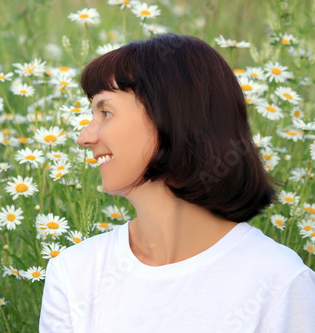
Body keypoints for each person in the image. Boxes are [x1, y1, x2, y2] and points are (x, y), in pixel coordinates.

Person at [39, 34, 315, 333]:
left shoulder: (280, 282)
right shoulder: (74, 273)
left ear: (171, 116)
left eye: (105, 112)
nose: (84, 137)